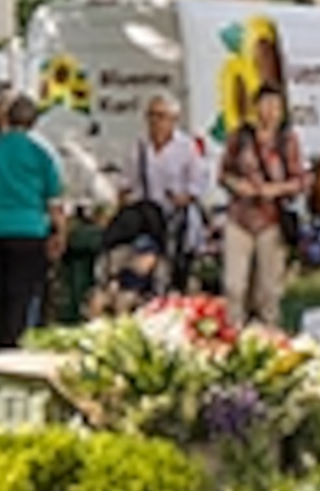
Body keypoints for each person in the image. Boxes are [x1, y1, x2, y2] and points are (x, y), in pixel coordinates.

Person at [0, 94, 69, 349]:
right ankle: (15, 343)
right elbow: (55, 203)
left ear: (7, 119)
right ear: (33, 122)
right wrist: (60, 234)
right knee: (23, 293)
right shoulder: (41, 155)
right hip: (30, 230)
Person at [217, 87, 307, 329]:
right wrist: (238, 185)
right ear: (255, 107)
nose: (269, 112)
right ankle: (232, 332)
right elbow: (224, 173)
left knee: (268, 290)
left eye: (275, 106)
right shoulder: (240, 137)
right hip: (240, 217)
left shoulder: (287, 141)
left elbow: (301, 179)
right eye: (265, 105)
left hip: (272, 220)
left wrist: (275, 189)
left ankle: (269, 335)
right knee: (234, 285)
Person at [127, 96, 214, 261]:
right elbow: (130, 183)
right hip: (148, 220)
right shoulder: (139, 147)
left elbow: (200, 181)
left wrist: (185, 197)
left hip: (178, 220)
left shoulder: (187, 147)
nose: (154, 121)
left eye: (160, 116)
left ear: (173, 120)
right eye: (151, 115)